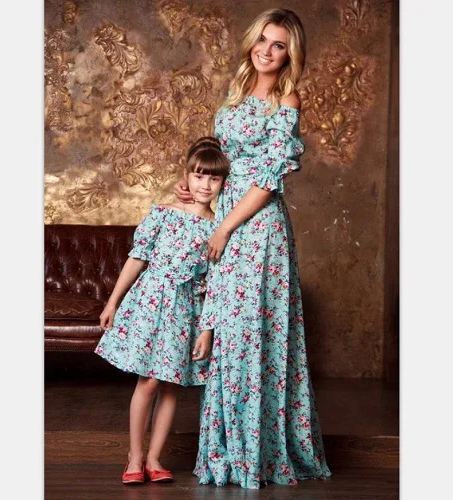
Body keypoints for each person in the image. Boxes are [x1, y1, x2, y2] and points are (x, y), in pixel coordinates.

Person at [173, 8, 332, 489]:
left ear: (290, 54)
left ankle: (258, 453)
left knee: (254, 334)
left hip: (259, 229)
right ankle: (226, 449)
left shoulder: (287, 100)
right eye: (262, 40)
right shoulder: (235, 93)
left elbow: (267, 180)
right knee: (227, 333)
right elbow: (223, 164)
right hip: (225, 217)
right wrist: (195, 192)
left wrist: (225, 228)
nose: (267, 50)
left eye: (278, 44)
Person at [95, 137, 229, 485]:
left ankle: (155, 459)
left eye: (214, 178)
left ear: (223, 183)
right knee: (149, 380)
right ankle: (135, 457)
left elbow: (215, 283)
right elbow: (136, 258)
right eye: (199, 176)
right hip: (150, 302)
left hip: (187, 310)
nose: (205, 185)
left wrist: (207, 329)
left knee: (171, 384)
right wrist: (113, 301)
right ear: (186, 176)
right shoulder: (163, 213)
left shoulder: (220, 228)